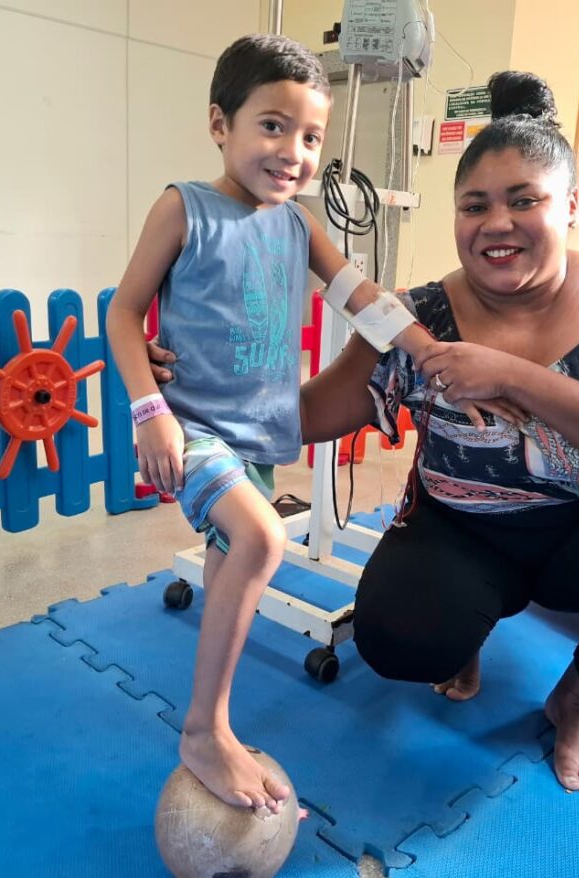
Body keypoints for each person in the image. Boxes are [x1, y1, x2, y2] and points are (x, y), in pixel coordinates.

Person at [293, 70, 579, 794]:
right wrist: (190, 380)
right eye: (475, 205)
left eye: (524, 200)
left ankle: (576, 703)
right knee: (398, 638)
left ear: (572, 205)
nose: (497, 223)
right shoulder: (419, 316)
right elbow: (312, 415)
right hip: (460, 527)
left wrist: (513, 376)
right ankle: (466, 635)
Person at [108, 34, 453, 813]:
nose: (292, 152)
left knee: (236, 554)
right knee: (263, 539)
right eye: (272, 126)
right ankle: (205, 729)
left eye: (310, 137)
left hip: (259, 438)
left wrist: (428, 351)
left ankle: (213, 705)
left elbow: (360, 296)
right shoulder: (183, 208)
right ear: (219, 123)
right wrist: (150, 412)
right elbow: (123, 314)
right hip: (193, 428)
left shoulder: (297, 225)